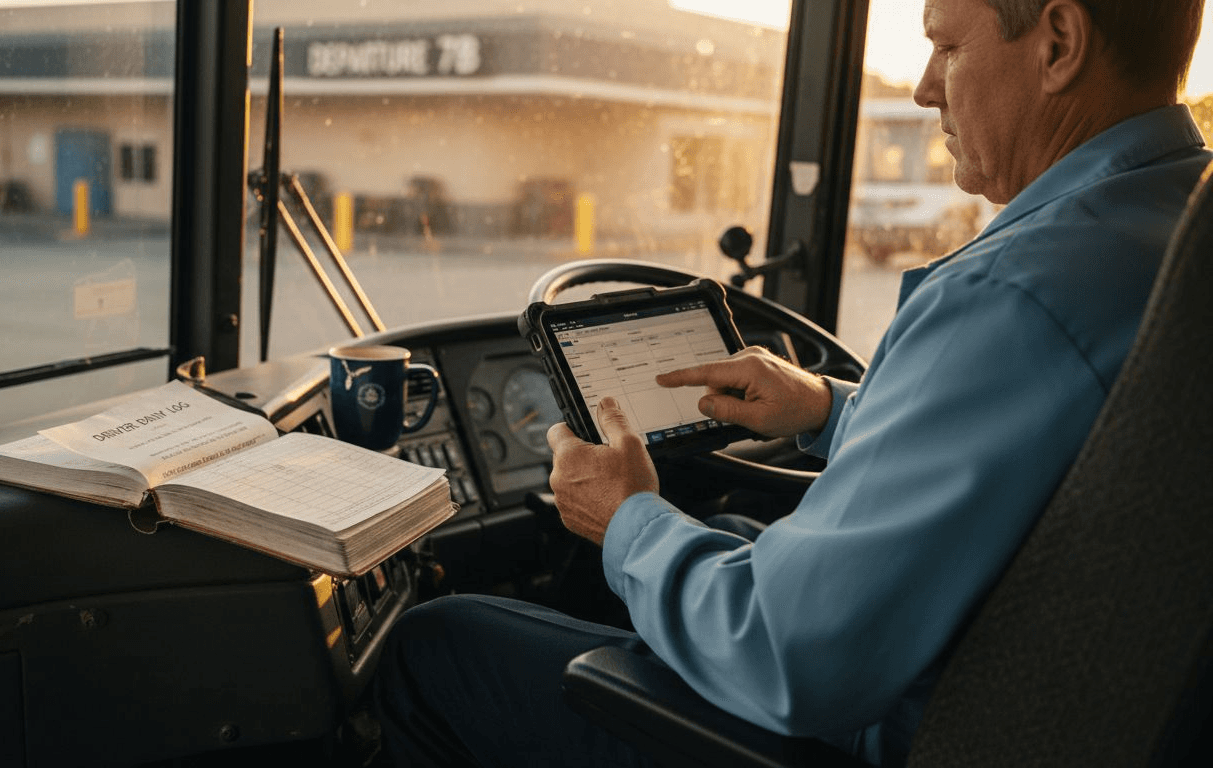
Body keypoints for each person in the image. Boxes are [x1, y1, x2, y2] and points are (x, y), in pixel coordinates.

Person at [373, 0, 1211, 765]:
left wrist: (626, 517)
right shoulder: (1171, 226)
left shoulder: (1015, 294)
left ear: (1058, 44)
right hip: (1032, 684)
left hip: (903, 724)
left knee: (437, 644)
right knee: (730, 523)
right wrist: (826, 408)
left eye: (946, 48)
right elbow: (1047, 459)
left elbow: (787, 654)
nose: (925, 89)